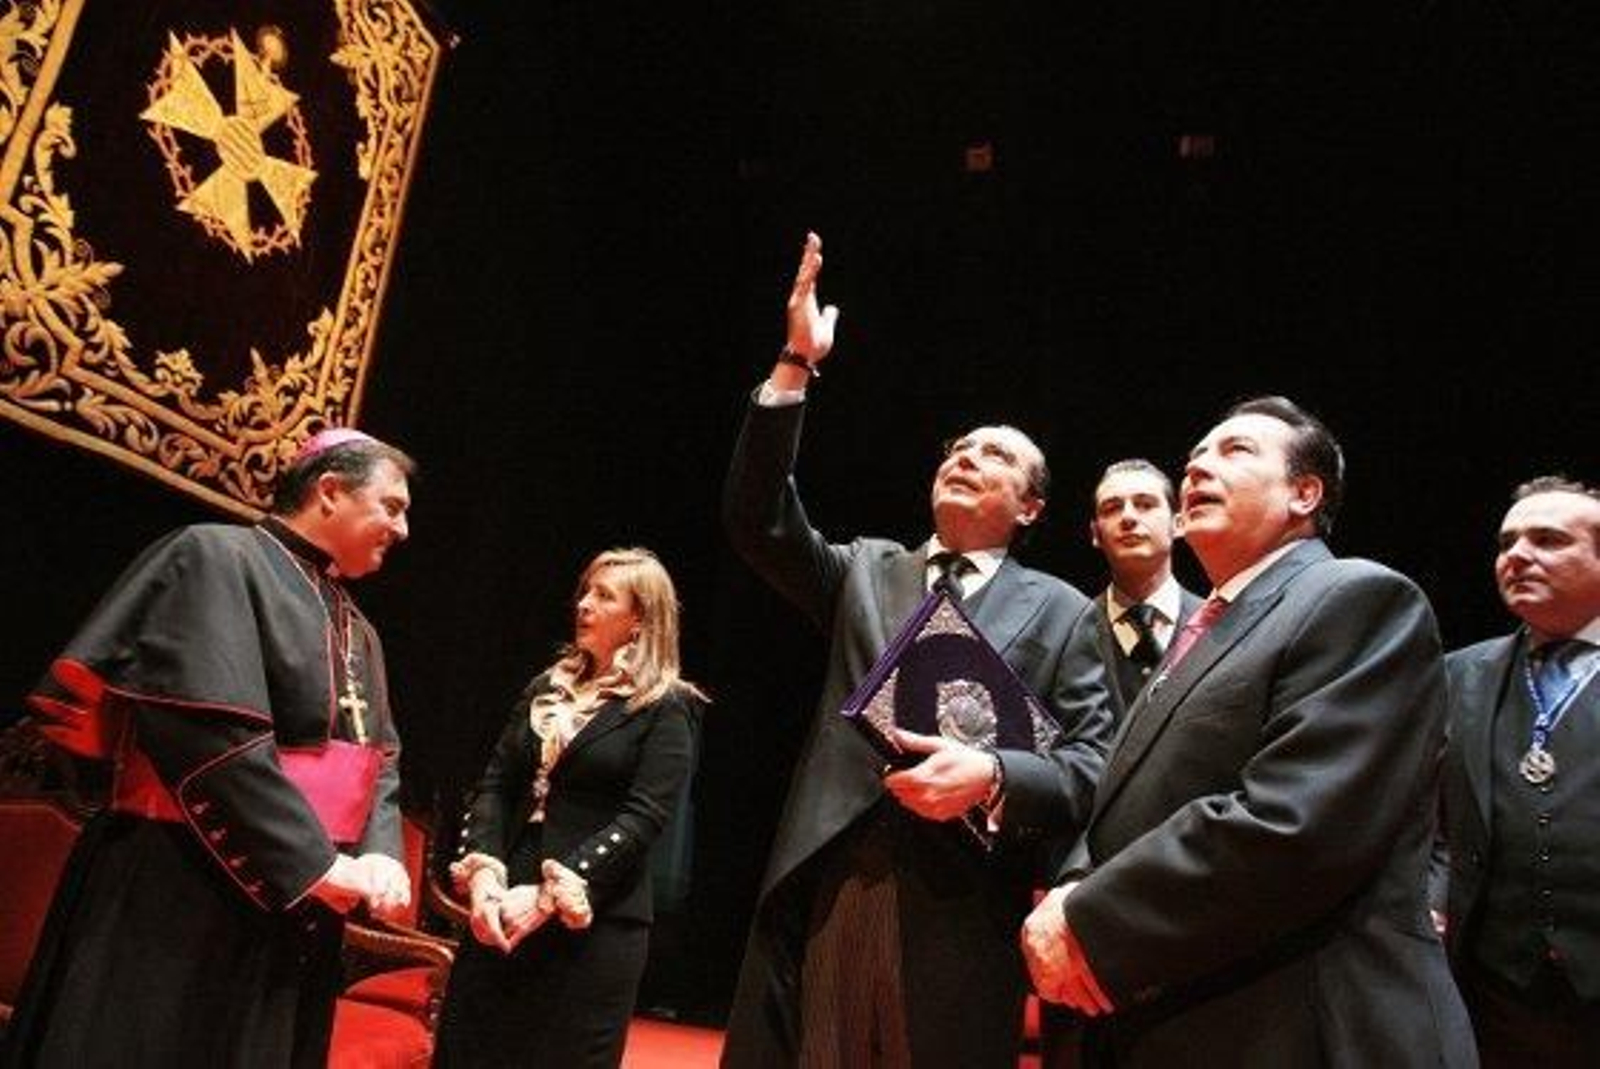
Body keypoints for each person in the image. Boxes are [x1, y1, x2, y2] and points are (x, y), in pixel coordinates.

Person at [720, 232, 1114, 1068]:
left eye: (995, 454)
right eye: (957, 449)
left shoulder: (1067, 611)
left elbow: (1092, 764)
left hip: (961, 902)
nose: (967, 457)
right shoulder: (866, 568)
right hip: (835, 880)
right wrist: (797, 361)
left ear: (1033, 507)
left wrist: (996, 773)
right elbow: (758, 518)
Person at [1021, 395, 1476, 1067]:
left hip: (1313, 1027)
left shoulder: (1359, 597)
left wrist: (1091, 918)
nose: (1200, 466)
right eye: (1195, 456)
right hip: (1190, 1016)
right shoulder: (1205, 631)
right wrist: (1073, 885)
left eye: (1234, 450)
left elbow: (1295, 821)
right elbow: (1123, 802)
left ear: (1304, 492)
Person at [3, 427, 417, 1068]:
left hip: (298, 902)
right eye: (392, 505)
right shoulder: (213, 557)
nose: (403, 528)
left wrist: (381, 855)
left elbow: (379, 758)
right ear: (330, 490)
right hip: (179, 882)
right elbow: (204, 733)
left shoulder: (358, 626)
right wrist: (315, 864)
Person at [432, 547, 706, 1068]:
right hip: (505, 897)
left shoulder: (667, 706)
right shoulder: (547, 688)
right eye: (585, 591)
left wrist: (548, 897)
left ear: (640, 620)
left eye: (604, 596)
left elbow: (644, 816)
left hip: (595, 918)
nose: (584, 604)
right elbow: (495, 784)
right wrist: (486, 876)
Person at [1435, 475, 1600, 1066]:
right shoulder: (1457, 675)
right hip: (1492, 992)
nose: (1519, 556)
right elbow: (1428, 824)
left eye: (1548, 539)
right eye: (1508, 543)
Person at [1086, 458, 1203, 721]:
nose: (1128, 517)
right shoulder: (1070, 629)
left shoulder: (1221, 625)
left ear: (1179, 524)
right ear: (1095, 533)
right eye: (1112, 508)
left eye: (1145, 505)